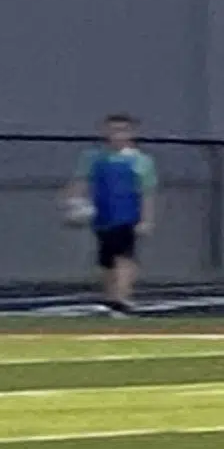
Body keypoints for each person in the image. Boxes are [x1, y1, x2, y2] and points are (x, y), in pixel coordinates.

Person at [66, 115, 157, 312]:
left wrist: (146, 219)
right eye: (113, 130)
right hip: (103, 216)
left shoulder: (141, 161)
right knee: (106, 259)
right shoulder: (93, 157)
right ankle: (110, 297)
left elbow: (146, 192)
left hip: (127, 216)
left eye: (123, 130)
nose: (118, 135)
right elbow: (81, 182)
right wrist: (74, 205)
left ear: (132, 133)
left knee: (124, 256)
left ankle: (123, 297)